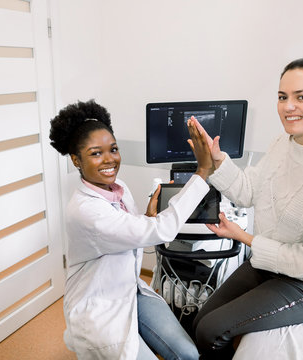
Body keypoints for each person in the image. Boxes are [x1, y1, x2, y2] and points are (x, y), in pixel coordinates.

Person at [188, 57, 303, 359]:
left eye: (302, 97)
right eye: (283, 97)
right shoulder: (282, 144)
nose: (288, 106)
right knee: (197, 321)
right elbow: (248, 191)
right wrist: (217, 159)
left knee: (210, 330)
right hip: (268, 265)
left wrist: (244, 238)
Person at [49, 99, 212, 359]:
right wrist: (202, 171)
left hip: (130, 289)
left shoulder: (117, 188)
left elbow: (130, 234)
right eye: (95, 153)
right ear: (76, 160)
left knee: (188, 354)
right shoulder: (85, 211)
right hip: (99, 306)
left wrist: (145, 217)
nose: (109, 160)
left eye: (113, 149)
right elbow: (162, 229)